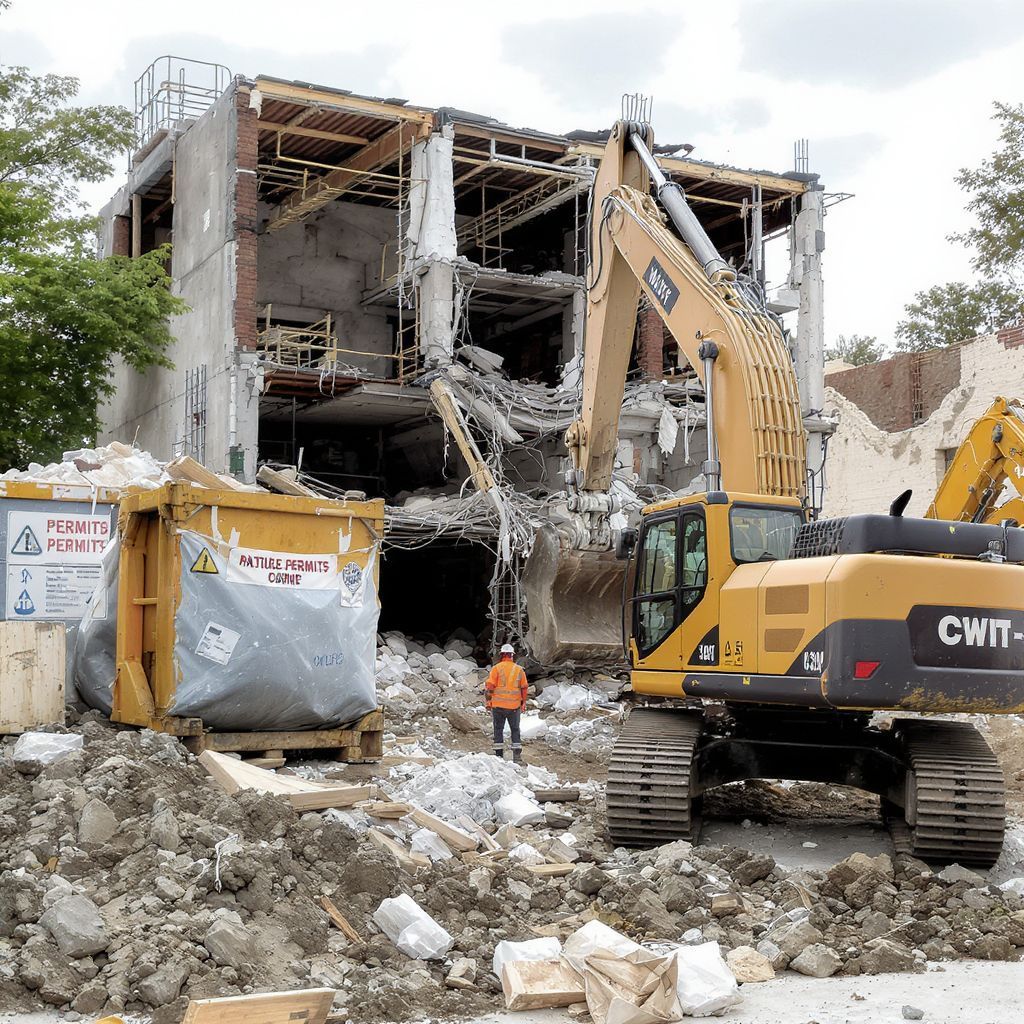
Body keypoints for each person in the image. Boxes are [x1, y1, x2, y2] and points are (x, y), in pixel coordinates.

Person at [485, 642, 529, 763]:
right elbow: (524, 687)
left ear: (502, 655)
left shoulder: (496, 668)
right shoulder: (519, 670)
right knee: (515, 729)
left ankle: (499, 756)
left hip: (498, 706)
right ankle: (517, 757)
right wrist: (523, 702)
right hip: (514, 706)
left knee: (498, 729)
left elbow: (490, 686)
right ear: (512, 655)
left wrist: (488, 702)